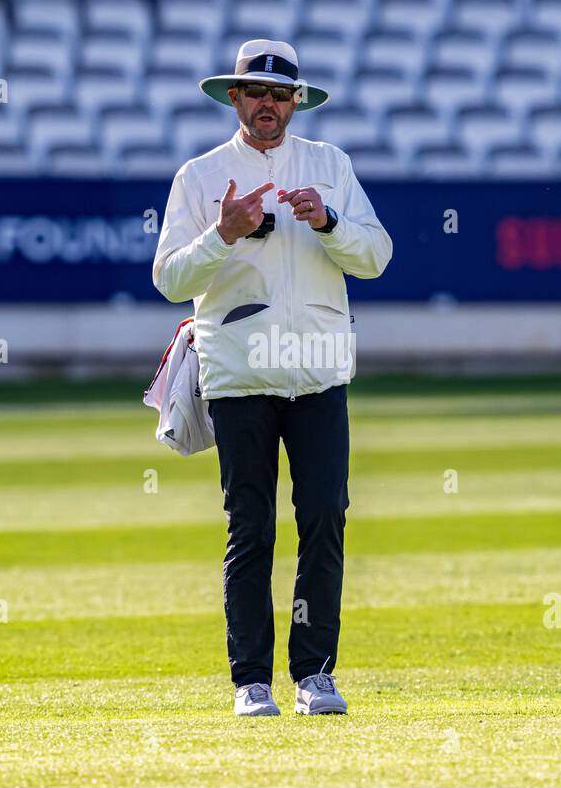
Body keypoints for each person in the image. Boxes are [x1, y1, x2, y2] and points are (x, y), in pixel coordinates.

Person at [152, 39, 393, 717]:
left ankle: (314, 673)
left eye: (280, 95)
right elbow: (170, 278)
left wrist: (329, 220)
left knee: (324, 516)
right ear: (234, 97)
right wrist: (222, 234)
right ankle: (250, 680)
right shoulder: (199, 176)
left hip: (316, 369)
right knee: (249, 525)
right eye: (256, 93)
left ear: (296, 101)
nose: (268, 105)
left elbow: (376, 256)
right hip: (238, 372)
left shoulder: (330, 166)